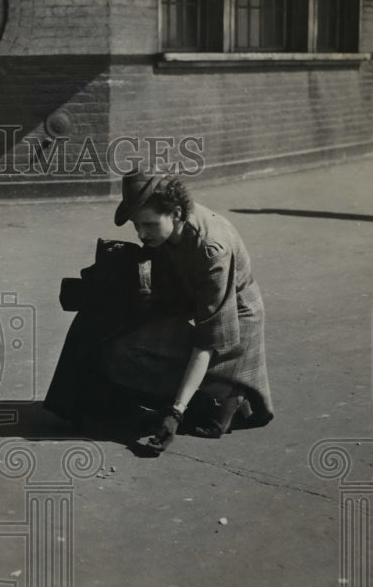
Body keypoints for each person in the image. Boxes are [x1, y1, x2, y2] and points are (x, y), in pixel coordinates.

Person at [44, 170, 274, 452]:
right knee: (108, 332)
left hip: (233, 323)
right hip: (194, 301)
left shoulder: (213, 250)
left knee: (128, 350)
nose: (142, 234)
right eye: (136, 226)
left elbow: (208, 340)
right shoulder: (170, 227)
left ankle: (226, 392)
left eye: (149, 225)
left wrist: (175, 413)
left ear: (176, 213)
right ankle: (191, 395)